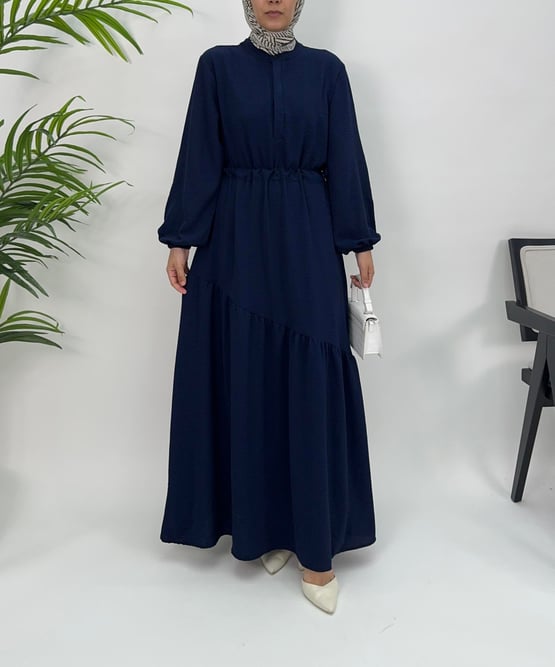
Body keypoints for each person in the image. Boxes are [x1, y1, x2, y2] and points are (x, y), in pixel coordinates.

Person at [157, 0, 381, 615]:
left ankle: (316, 550)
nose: (274, 1)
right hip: (234, 243)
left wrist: (358, 239)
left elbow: (345, 155)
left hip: (307, 236)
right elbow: (200, 153)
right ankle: (265, 529)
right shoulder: (218, 67)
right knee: (249, 378)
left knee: (310, 379)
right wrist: (181, 238)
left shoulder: (327, 70)